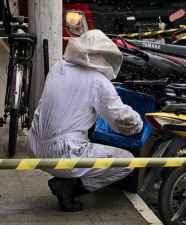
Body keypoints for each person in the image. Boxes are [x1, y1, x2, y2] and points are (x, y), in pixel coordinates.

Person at [25, 30, 143, 212]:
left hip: (34, 146)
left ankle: (68, 179)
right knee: (127, 162)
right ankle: (70, 187)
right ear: (96, 55)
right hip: (64, 152)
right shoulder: (97, 81)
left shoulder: (59, 67)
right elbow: (122, 121)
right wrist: (140, 122)